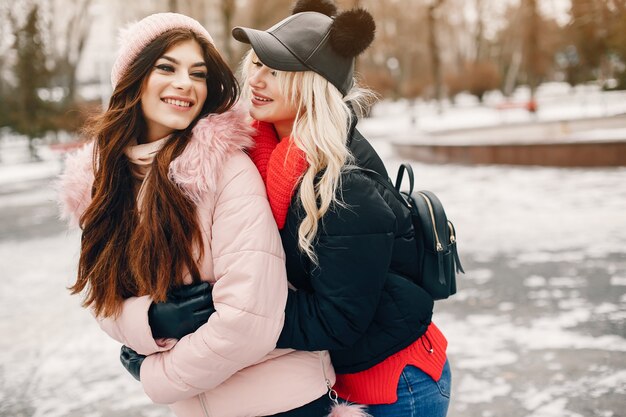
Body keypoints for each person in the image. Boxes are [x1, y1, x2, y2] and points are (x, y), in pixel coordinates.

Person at [57, 12, 337, 417]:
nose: (185, 84)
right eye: (166, 67)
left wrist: (156, 374)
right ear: (132, 79)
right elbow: (104, 298)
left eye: (198, 73)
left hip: (282, 401)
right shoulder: (102, 184)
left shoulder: (225, 169)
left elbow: (249, 321)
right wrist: (151, 320)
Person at [230, 1, 452, 416]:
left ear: (313, 84)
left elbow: (338, 320)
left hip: (394, 384)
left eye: (275, 71)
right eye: (256, 64)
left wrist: (229, 314)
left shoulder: (344, 187)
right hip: (335, 377)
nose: (256, 80)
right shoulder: (266, 153)